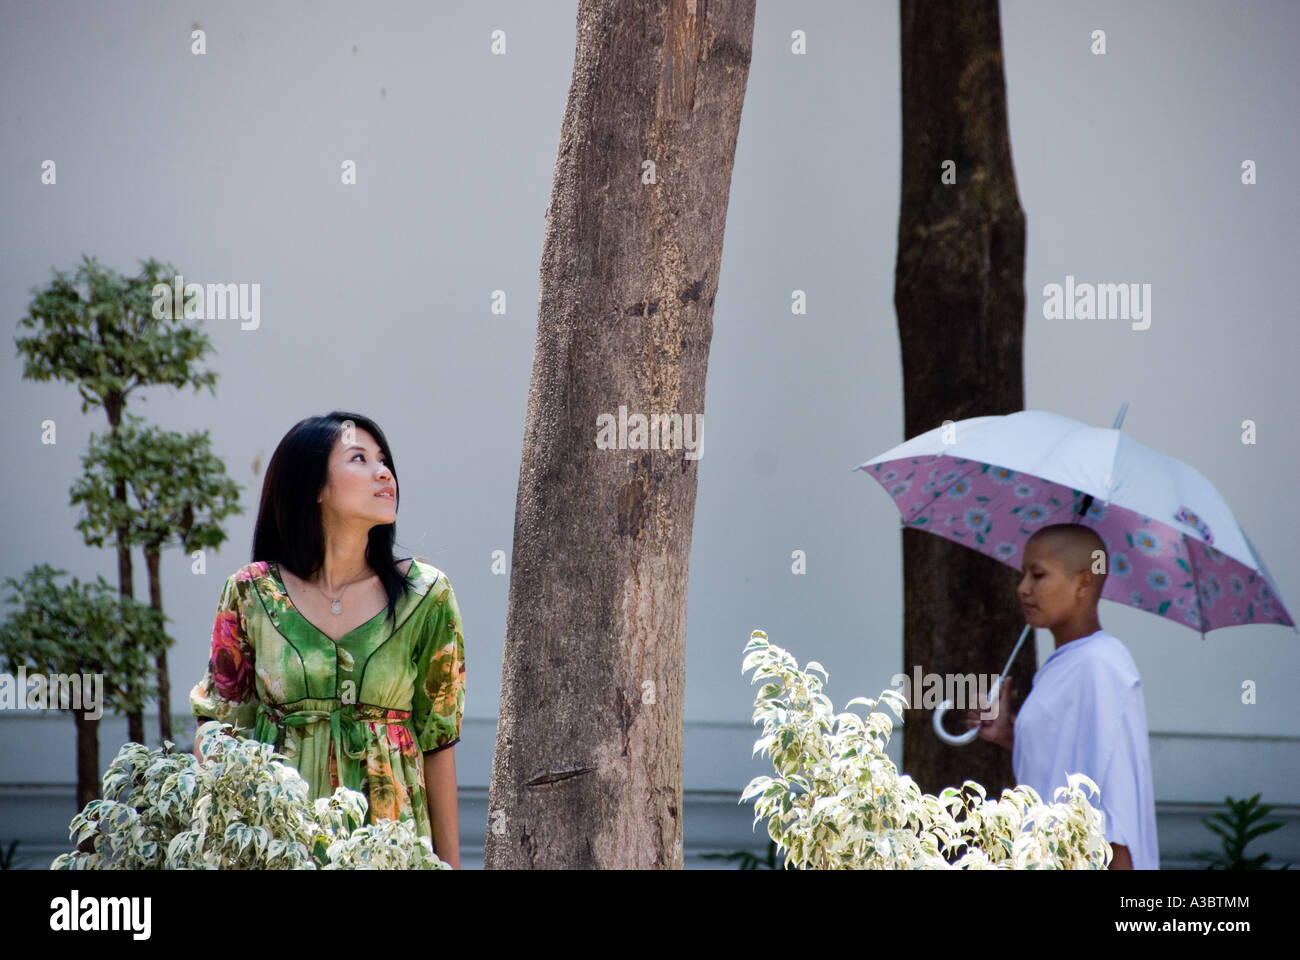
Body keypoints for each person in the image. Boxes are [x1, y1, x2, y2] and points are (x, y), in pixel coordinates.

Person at [189, 411, 466, 867]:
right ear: (315, 488)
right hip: (278, 844)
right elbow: (219, 723)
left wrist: (452, 866)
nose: (384, 472)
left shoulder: (426, 596)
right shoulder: (253, 593)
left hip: (391, 848)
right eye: (359, 458)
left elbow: (437, 743)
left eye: (384, 459)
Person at [967, 522, 1159, 870]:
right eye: (1022, 574)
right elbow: (1071, 762)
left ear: (1083, 583)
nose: (1022, 588)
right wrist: (1008, 735)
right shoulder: (1067, 663)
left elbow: (1117, 801)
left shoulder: (1102, 666)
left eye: (1038, 575)